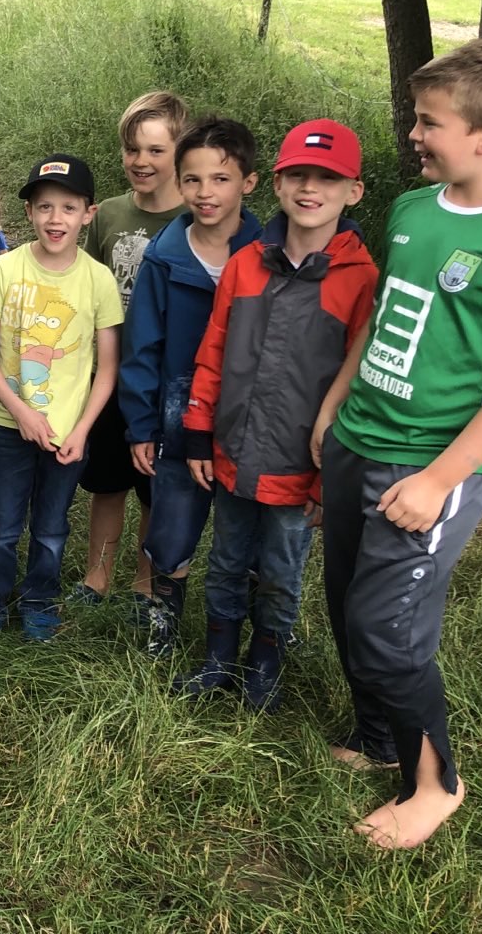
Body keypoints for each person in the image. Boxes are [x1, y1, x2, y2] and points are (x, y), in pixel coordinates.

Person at [311, 36, 482, 849]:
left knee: (388, 630)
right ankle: (379, 735)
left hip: (431, 465)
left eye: (430, 123)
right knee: (346, 601)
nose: (414, 135)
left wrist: (436, 479)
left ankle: (437, 785)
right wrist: (334, 405)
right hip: (359, 437)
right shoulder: (414, 209)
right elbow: (384, 320)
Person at [175, 120, 378, 710]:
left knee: (282, 572)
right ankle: (218, 658)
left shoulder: (361, 280)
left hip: (299, 466)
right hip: (233, 454)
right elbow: (213, 350)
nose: (310, 189)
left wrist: (329, 475)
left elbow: (357, 386)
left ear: (353, 192)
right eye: (298, 176)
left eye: (327, 179)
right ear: (279, 185)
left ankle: (264, 665)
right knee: (226, 560)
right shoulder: (245, 265)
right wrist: (197, 434)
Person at [0, 155, 123, 642]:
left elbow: (108, 366)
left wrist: (80, 430)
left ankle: (39, 603)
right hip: (9, 426)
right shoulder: (5, 270)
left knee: (52, 528)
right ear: (29, 212)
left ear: (88, 214)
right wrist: (22, 413)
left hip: (69, 435)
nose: (56, 219)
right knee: (3, 524)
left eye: (69, 208)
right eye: (45, 206)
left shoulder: (98, 280)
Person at [119, 118, 263, 657]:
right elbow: (141, 348)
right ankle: (163, 621)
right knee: (172, 525)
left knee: (248, 527)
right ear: (179, 184)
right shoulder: (164, 256)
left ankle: (254, 624)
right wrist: (140, 423)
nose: (207, 193)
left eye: (221, 179)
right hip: (177, 415)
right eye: (194, 180)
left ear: (248, 182)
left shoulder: (268, 249)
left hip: (249, 415)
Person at [72, 90, 189, 613]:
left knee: (154, 488)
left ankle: (145, 580)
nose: (141, 161)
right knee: (108, 481)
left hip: (164, 382)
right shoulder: (109, 215)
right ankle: (96, 575)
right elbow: (85, 288)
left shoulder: (195, 218)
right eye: (132, 149)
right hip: (107, 376)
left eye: (156, 150)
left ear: (180, 153)